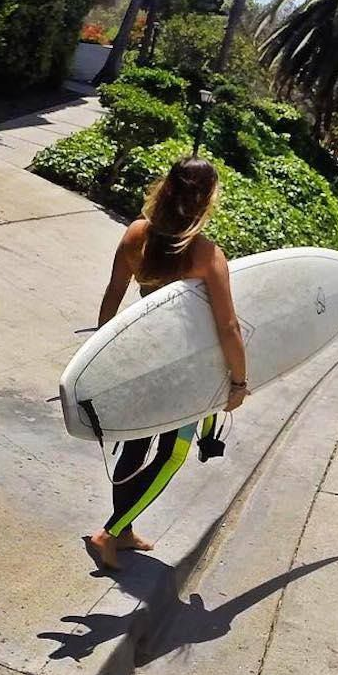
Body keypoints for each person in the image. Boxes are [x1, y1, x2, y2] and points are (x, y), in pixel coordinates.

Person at [86, 157, 248, 571]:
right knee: (172, 455)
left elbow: (113, 296)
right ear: (207, 199)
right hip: (184, 373)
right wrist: (239, 381)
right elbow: (228, 326)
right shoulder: (206, 254)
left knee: (136, 444)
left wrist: (102, 356)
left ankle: (122, 532)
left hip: (141, 360)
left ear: (167, 187)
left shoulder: (137, 234)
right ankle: (109, 532)